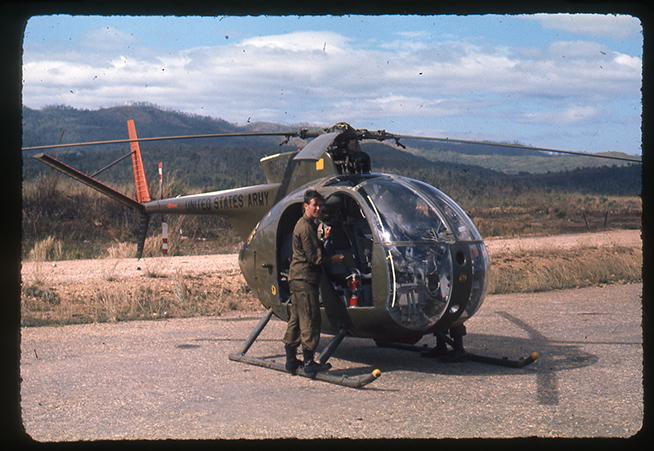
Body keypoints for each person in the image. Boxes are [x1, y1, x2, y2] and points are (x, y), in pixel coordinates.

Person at [283, 190, 344, 374]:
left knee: (296, 318)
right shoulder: (305, 228)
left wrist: (323, 239)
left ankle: (291, 360)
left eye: (320, 205)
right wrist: (334, 259)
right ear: (306, 206)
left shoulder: (306, 224)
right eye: (314, 205)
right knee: (310, 317)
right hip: (305, 279)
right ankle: (309, 362)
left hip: (298, 278)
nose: (318, 208)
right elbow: (315, 258)